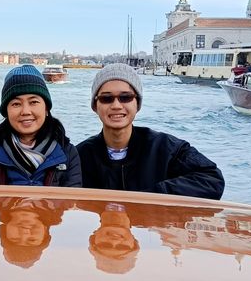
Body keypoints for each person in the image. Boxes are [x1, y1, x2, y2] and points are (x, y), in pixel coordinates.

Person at [76, 63, 224, 199]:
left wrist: (152, 196)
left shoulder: (166, 148)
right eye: (106, 98)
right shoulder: (79, 156)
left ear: (137, 104)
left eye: (125, 97)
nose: (116, 105)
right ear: (95, 106)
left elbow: (212, 180)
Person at [0, 65, 81, 186]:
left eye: (33, 102)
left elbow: (71, 202)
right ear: (6, 112)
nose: (25, 111)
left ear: (46, 108)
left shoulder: (67, 153)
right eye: (16, 104)